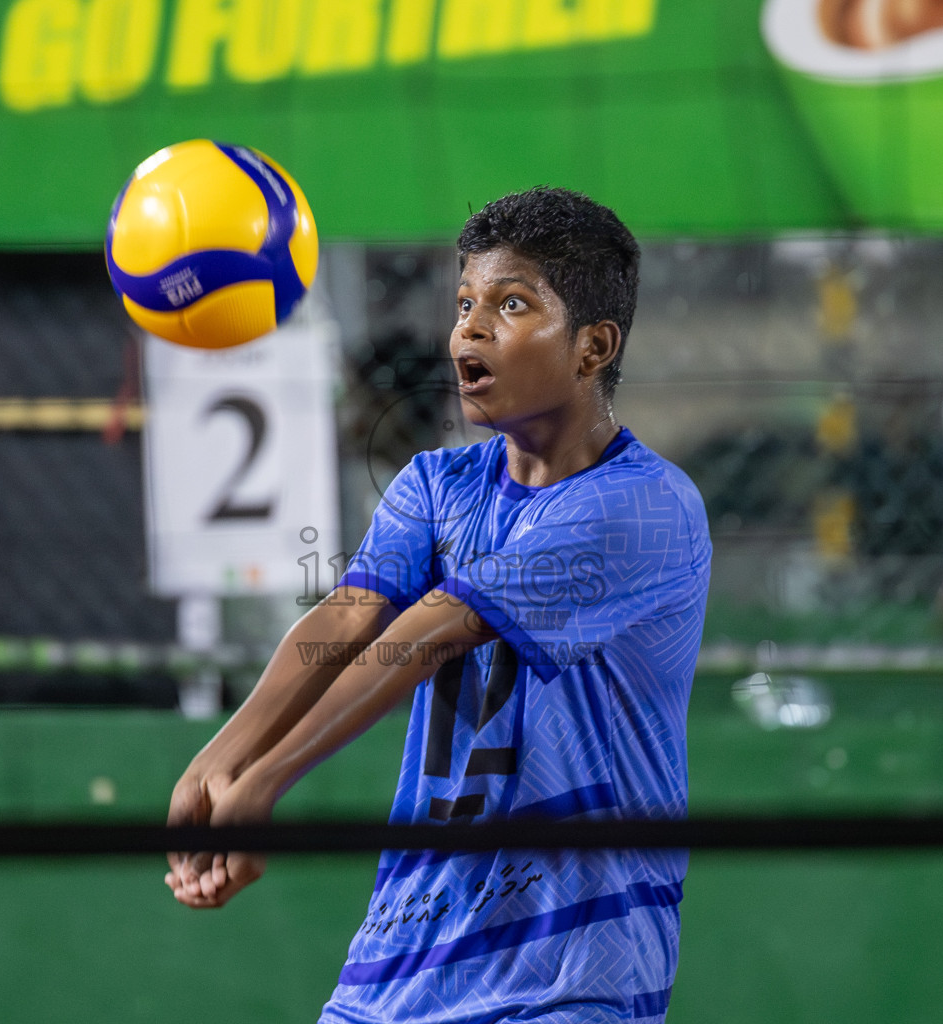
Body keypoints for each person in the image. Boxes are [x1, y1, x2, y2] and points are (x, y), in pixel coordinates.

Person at [165, 187, 712, 1022]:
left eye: (512, 303)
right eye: (465, 304)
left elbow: (432, 632)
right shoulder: (437, 483)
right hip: (401, 959)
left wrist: (268, 780)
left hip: (568, 970)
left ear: (592, 347)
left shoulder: (644, 506)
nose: (470, 328)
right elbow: (347, 617)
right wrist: (222, 759)